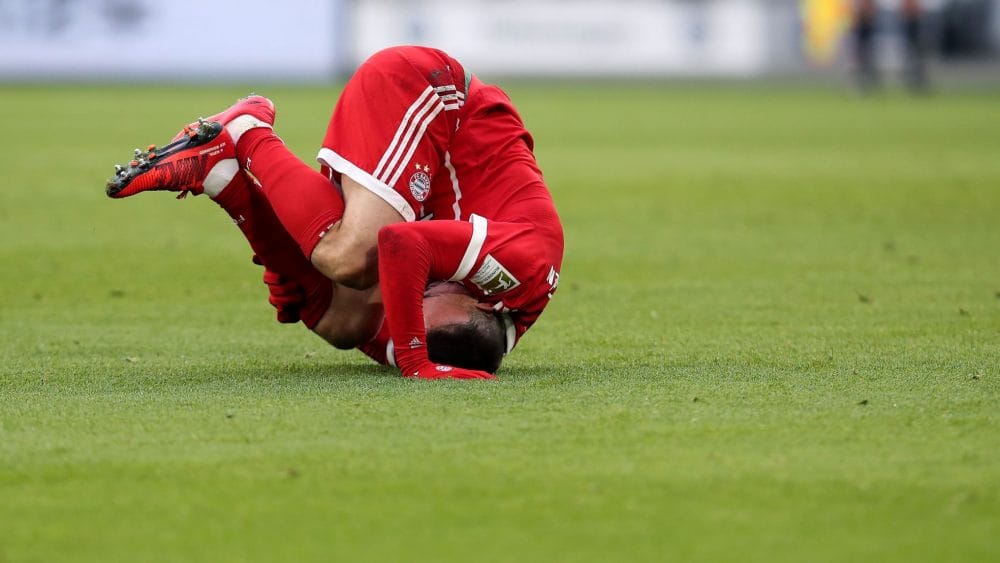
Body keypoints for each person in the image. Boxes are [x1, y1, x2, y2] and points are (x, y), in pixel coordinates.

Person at [106, 46, 564, 380]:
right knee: (352, 258)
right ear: (481, 300)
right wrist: (415, 362)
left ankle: (223, 177)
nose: (416, 296)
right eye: (428, 299)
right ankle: (245, 132)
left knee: (344, 323)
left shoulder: (462, 337)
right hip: (435, 99)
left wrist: (295, 272)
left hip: (426, 188)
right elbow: (401, 245)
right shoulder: (524, 264)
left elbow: (376, 324)